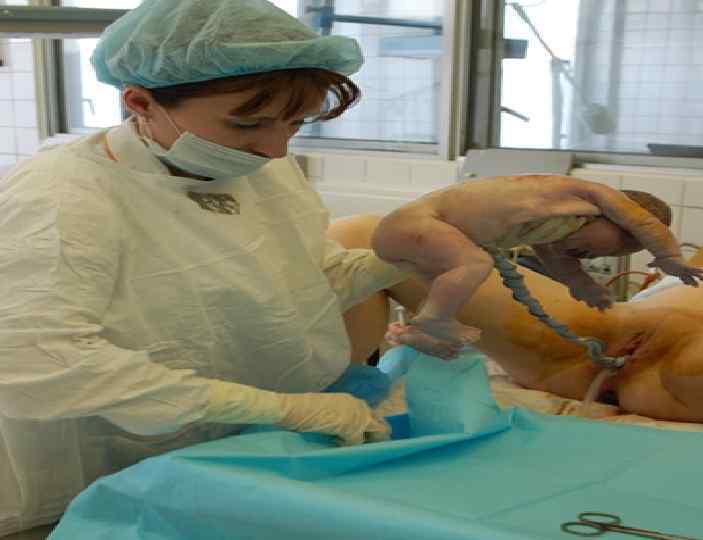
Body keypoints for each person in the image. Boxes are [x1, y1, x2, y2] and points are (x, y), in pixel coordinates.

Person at [0, 1, 411, 536]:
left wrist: (405, 257)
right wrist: (283, 410)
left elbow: (305, 284)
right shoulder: (61, 196)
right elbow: (39, 360)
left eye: (295, 122)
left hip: (220, 459)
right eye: (248, 123)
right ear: (140, 101)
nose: (275, 148)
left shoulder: (261, 170)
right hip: (84, 477)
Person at [331, 215, 703, 425]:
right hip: (625, 331)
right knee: (368, 239)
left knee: (367, 238)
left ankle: (329, 396)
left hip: (678, 346)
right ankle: (329, 397)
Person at [371, 175, 703, 358]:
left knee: (447, 287)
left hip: (410, 236)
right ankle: (434, 318)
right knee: (475, 263)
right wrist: (670, 259)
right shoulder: (593, 195)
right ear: (617, 216)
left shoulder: (552, 225)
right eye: (618, 246)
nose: (592, 256)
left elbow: (560, 261)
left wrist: (583, 285)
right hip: (417, 222)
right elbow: (646, 224)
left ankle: (419, 332)